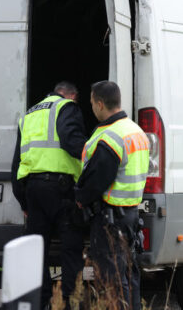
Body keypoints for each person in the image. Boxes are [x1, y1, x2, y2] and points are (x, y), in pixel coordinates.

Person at [11, 81, 87, 308]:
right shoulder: (67, 107)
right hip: (61, 189)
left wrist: (22, 199)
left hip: (34, 190)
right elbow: (69, 139)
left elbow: (18, 161)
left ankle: (42, 301)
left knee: (37, 251)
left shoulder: (28, 115)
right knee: (70, 248)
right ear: (71, 96)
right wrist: (91, 152)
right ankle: (71, 302)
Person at [75, 81, 149, 310]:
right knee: (129, 276)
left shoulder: (111, 137)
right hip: (130, 217)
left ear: (99, 104)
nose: (91, 108)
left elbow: (97, 180)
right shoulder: (136, 131)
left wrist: (80, 198)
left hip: (110, 221)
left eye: (91, 103)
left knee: (112, 281)